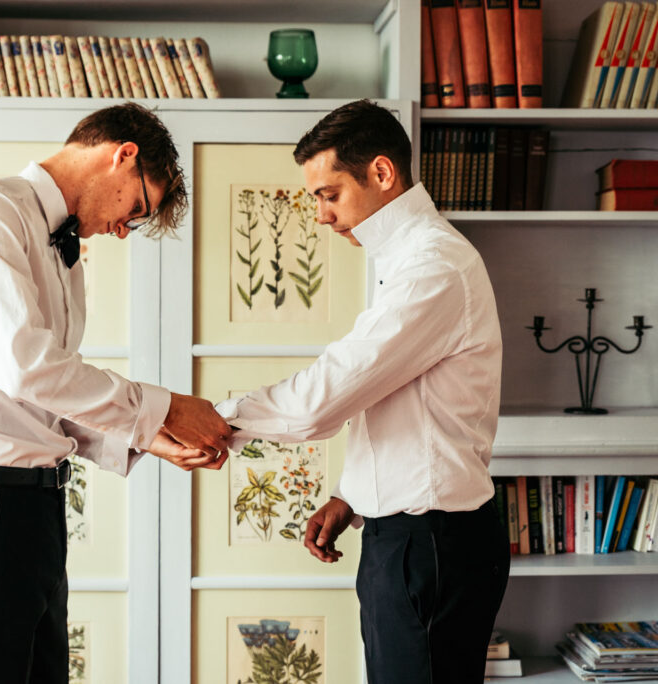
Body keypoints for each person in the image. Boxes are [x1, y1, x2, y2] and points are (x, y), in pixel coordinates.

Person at [0, 102, 232, 684]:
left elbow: (44, 398)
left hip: (34, 512)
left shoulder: (65, 252)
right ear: (122, 155)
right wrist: (166, 406)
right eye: (134, 209)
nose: (121, 229)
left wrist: (150, 439)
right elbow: (26, 369)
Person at [216, 100, 510, 683]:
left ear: (381, 173)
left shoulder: (433, 267)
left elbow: (323, 399)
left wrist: (214, 418)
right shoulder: (400, 260)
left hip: (429, 544)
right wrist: (351, 495)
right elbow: (398, 402)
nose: (321, 216)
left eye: (329, 194)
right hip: (405, 536)